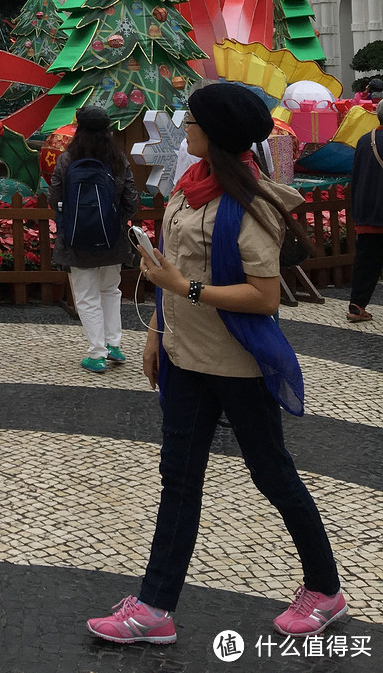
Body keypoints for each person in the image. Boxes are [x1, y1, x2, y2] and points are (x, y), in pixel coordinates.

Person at [87, 83, 345, 647]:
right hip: (184, 358)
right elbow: (168, 270)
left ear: (218, 131)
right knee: (178, 478)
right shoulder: (188, 189)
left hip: (237, 366)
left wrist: (190, 290)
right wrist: (157, 333)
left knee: (271, 473)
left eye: (193, 118)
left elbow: (265, 296)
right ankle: (155, 606)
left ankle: (324, 589)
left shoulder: (250, 205)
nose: (186, 124)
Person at [48, 104, 138, 373]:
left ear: (79, 129)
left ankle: (96, 354)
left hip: (77, 240)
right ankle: (114, 345)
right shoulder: (117, 159)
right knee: (111, 290)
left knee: (86, 297)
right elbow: (131, 200)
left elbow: (54, 198)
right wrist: (114, 221)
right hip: (112, 239)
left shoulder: (67, 160)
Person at [346, 99, 383, 322]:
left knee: (366, 263)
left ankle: (356, 307)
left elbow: (356, 177)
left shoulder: (363, 140)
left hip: (368, 213)